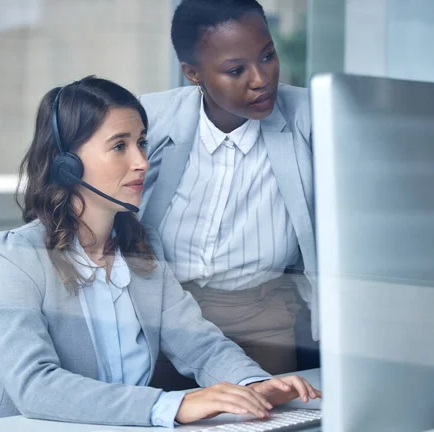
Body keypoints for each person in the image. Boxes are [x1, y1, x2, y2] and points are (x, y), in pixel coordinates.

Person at [0, 76, 320, 427]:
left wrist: (252, 384)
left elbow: (199, 344)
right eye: (120, 146)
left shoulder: (141, 248)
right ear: (66, 163)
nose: (141, 161)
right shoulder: (13, 256)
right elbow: (35, 386)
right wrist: (172, 405)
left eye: (142, 142)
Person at [139, 0, 319, 388]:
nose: (260, 79)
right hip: (168, 313)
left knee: (274, 417)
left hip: (264, 315)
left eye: (267, 56)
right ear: (193, 74)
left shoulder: (313, 115)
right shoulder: (149, 119)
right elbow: (76, 208)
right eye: (236, 70)